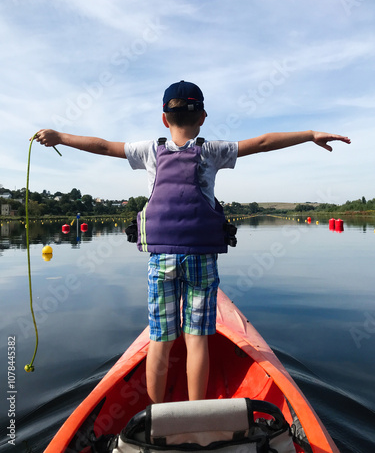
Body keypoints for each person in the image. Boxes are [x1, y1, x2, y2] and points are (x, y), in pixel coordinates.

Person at [34, 80, 351, 404]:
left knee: (160, 340)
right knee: (197, 339)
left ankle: (158, 417)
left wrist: (60, 137)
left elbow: (102, 146)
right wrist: (310, 135)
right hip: (201, 259)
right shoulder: (212, 151)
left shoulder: (148, 151)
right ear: (202, 117)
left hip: (162, 261)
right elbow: (264, 142)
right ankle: (197, 413)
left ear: (163, 118)